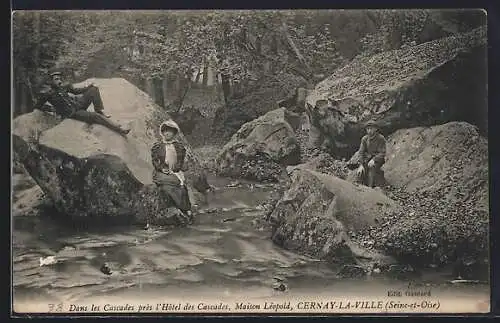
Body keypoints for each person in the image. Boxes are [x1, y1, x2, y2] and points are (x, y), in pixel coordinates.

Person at [33, 68, 130, 136]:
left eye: (60, 79)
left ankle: (99, 110)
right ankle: (119, 129)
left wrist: (89, 86)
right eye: (56, 79)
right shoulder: (48, 94)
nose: (59, 81)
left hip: (78, 105)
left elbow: (76, 91)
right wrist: (52, 109)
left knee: (93, 89)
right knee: (95, 117)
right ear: (51, 81)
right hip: (74, 113)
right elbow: (37, 106)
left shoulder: (64, 87)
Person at [151, 120, 193, 223]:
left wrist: (177, 168)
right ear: (162, 133)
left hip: (175, 171)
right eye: (165, 131)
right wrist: (162, 168)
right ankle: (182, 208)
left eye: (170, 131)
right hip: (161, 172)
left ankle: (186, 209)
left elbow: (181, 161)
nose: (167, 134)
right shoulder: (158, 146)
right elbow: (155, 161)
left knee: (182, 185)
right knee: (172, 183)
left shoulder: (179, 146)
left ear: (174, 133)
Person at [355, 120, 386, 188]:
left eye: (371, 128)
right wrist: (361, 164)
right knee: (361, 171)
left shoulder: (381, 138)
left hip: (377, 159)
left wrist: (374, 160)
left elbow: (382, 153)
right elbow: (361, 152)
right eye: (367, 129)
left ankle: (370, 188)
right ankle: (357, 187)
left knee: (372, 168)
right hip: (367, 158)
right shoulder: (365, 139)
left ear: (376, 129)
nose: (369, 131)